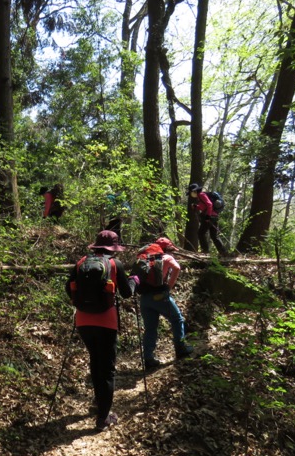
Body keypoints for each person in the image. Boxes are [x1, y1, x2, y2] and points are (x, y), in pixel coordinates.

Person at [65, 230, 138, 431]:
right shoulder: (115, 264)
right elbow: (126, 293)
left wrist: (83, 303)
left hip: (83, 321)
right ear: (113, 248)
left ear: (96, 245)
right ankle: (103, 418)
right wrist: (134, 281)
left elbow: (67, 287)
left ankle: (100, 402)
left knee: (95, 361)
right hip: (106, 322)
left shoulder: (81, 263)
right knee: (106, 369)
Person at [135, 237, 193, 370]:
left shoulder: (145, 257)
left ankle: (148, 358)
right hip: (160, 296)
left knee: (150, 328)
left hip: (145, 298)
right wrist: (169, 286)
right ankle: (181, 348)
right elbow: (177, 268)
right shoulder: (166, 257)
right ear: (166, 248)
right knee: (177, 319)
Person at [187, 183, 228, 255]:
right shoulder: (200, 197)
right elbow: (204, 207)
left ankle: (205, 250)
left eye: (191, 192)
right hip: (214, 216)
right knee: (214, 236)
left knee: (201, 233)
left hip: (210, 217)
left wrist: (208, 216)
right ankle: (223, 252)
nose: (191, 194)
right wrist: (196, 206)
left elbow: (209, 204)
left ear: (194, 191)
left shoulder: (201, 195)